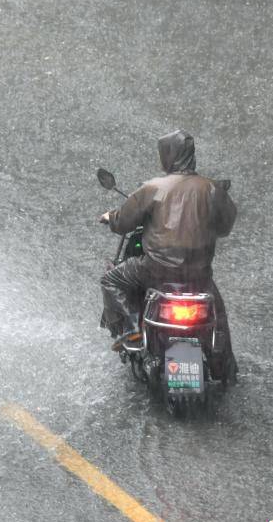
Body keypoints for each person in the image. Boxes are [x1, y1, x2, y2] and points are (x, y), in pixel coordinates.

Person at [99, 129, 237, 377]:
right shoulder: (213, 189)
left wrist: (111, 217)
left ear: (167, 156)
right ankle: (224, 368)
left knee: (111, 279)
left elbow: (123, 223)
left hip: (156, 272)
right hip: (199, 275)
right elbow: (225, 226)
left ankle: (131, 328)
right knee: (219, 314)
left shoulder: (153, 188)